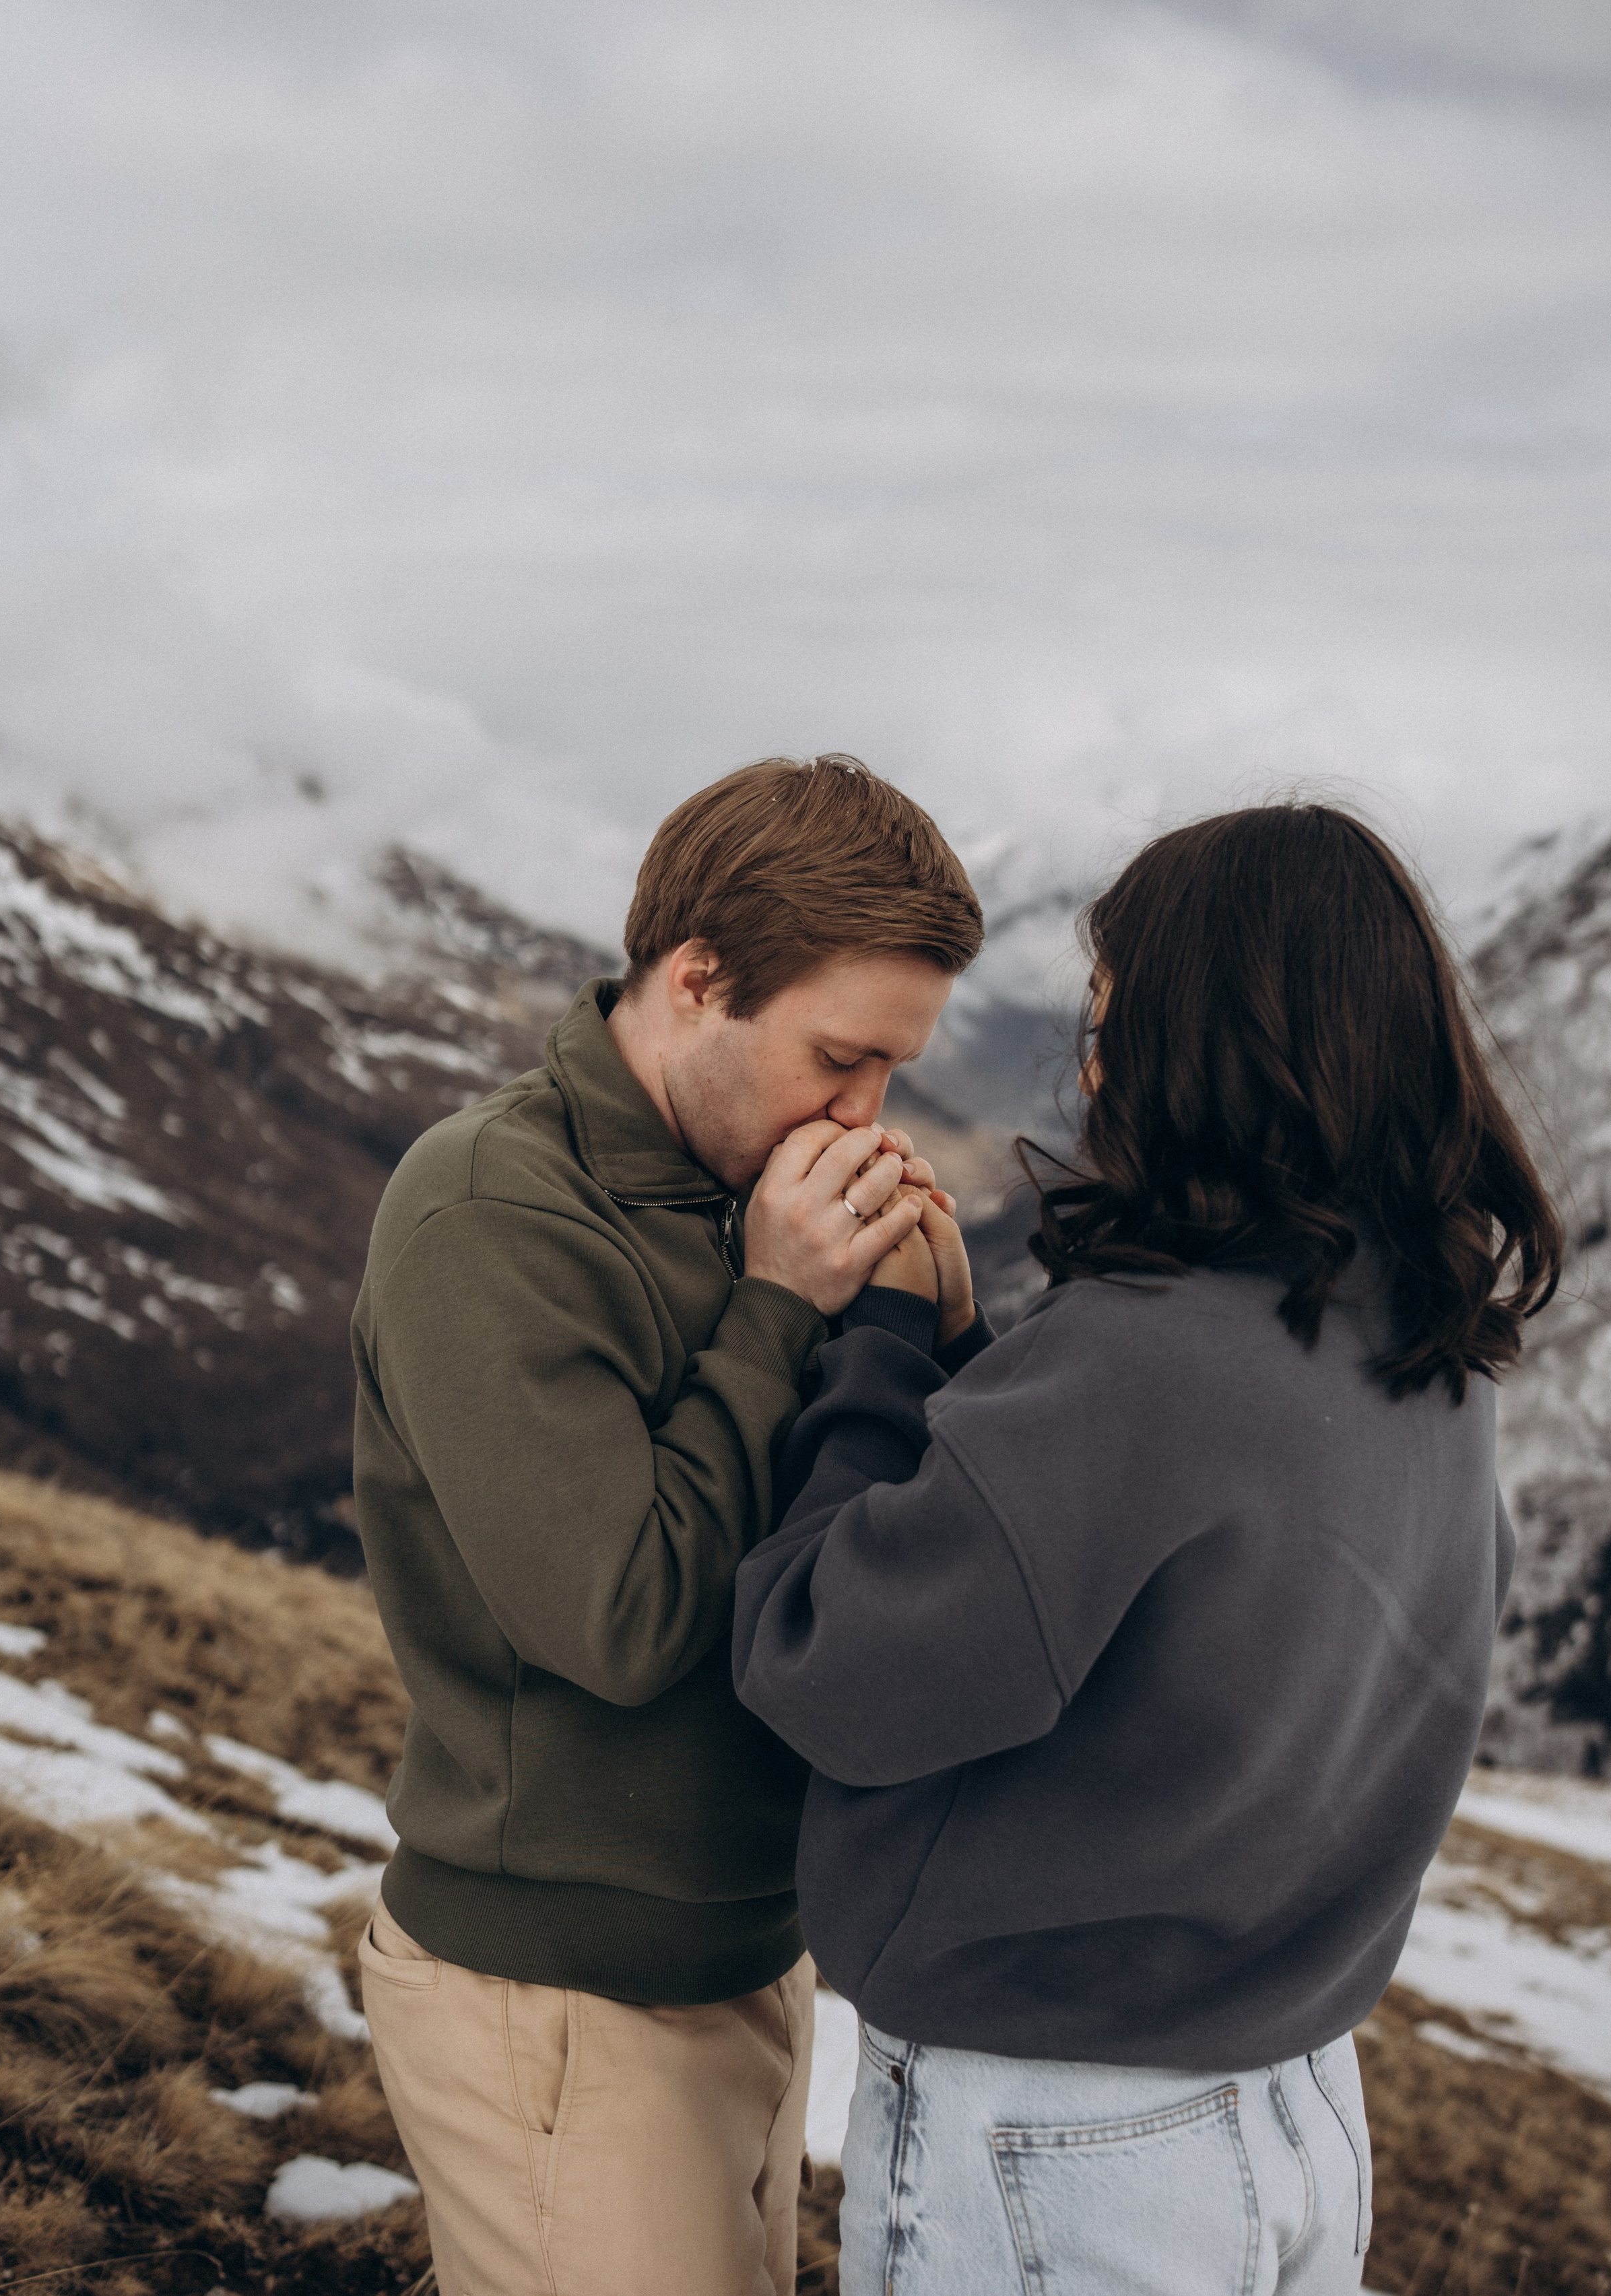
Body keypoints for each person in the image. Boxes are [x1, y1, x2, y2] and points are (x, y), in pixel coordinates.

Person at [733, 803, 1563, 2296]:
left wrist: (873, 1346)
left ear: (1207, 1045)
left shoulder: (1139, 1359)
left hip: (1060, 2131)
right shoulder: (1426, 1346)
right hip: (1296, 2100)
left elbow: (829, 1663)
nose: (1092, 1065)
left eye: (1112, 1022)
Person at [350, 755, 983, 2296]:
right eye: (838, 1057)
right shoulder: (489, 1211)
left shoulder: (752, 1184)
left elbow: (862, 1566)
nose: (863, 1114)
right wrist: (776, 1307)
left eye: (892, 1071)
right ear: (696, 979)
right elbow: (623, 1618)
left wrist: (936, 1347)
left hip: (749, 1964)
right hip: (557, 1996)